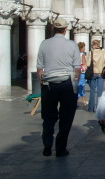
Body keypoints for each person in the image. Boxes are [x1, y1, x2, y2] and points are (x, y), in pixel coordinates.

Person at [36, 18, 80, 157]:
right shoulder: (72, 45)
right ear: (66, 29)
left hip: (49, 83)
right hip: (67, 82)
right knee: (66, 117)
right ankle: (60, 148)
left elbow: (39, 68)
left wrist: (41, 83)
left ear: (53, 28)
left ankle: (47, 144)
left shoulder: (44, 44)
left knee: (48, 116)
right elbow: (77, 68)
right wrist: (76, 83)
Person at [87, 39, 105, 112]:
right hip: (100, 73)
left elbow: (88, 64)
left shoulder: (91, 53)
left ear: (95, 45)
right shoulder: (103, 52)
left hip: (93, 73)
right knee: (100, 91)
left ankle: (91, 108)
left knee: (92, 91)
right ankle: (99, 107)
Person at [77, 42, 88, 107]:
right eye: (84, 47)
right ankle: (83, 100)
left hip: (76, 72)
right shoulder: (82, 55)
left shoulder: (75, 54)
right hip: (82, 73)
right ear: (81, 48)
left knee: (79, 87)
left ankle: (83, 100)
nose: (85, 48)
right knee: (81, 86)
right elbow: (84, 64)